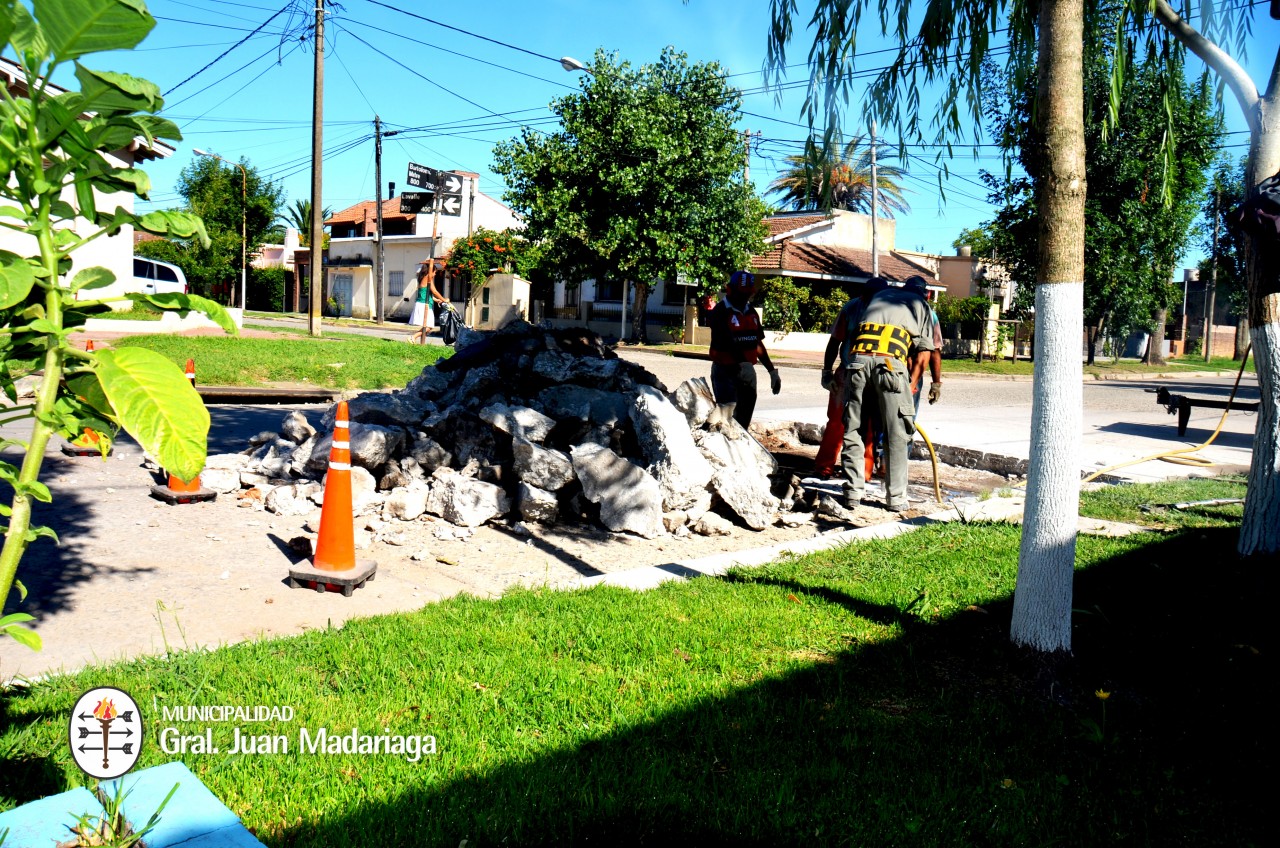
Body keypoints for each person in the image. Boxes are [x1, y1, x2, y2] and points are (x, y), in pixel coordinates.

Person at [838, 279, 935, 512]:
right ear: (925, 295)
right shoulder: (920, 306)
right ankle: (896, 499)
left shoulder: (880, 297)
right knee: (896, 434)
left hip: (857, 364)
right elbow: (924, 355)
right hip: (890, 368)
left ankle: (852, 493)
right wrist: (911, 383)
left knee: (854, 430)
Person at [815, 276, 888, 478]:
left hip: (875, 375)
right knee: (837, 421)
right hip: (847, 372)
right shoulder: (852, 308)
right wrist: (827, 372)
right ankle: (825, 466)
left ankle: (862, 472)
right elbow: (834, 342)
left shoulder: (891, 311)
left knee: (869, 424)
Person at [707, 270, 781, 430]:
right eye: (741, 293)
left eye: (747, 294)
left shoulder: (751, 313)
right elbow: (726, 343)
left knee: (743, 421)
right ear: (730, 290)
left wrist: (772, 371)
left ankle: (740, 445)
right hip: (725, 371)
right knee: (726, 419)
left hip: (746, 371)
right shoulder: (720, 312)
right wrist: (743, 365)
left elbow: (758, 344)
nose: (745, 298)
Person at [903, 275, 943, 412]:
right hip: (911, 374)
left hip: (883, 368)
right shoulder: (929, 314)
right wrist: (936, 384)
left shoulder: (890, 308)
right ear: (927, 295)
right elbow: (934, 351)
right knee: (906, 418)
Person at [408, 261, 446, 344]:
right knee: (429, 326)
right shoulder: (428, 277)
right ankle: (413, 337)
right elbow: (435, 291)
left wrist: (436, 300)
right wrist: (444, 299)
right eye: (435, 272)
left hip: (423, 303)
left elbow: (428, 294)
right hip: (423, 304)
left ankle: (421, 342)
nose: (435, 274)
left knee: (427, 326)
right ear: (430, 271)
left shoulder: (422, 278)